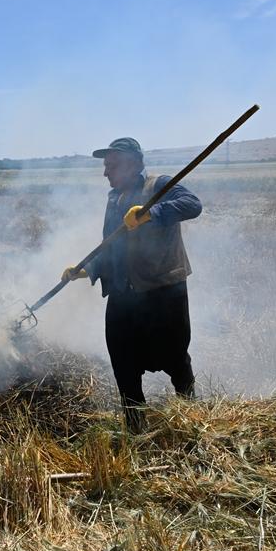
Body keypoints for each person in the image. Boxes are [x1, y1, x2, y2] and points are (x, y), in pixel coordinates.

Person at [62, 137, 201, 432]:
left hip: (162, 293)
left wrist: (151, 213)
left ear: (134, 164)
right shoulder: (114, 199)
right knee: (124, 365)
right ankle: (136, 430)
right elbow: (111, 246)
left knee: (175, 358)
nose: (105, 173)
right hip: (123, 296)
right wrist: (88, 269)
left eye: (111, 166)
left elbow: (193, 205)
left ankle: (191, 421)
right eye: (105, 166)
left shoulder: (158, 186)